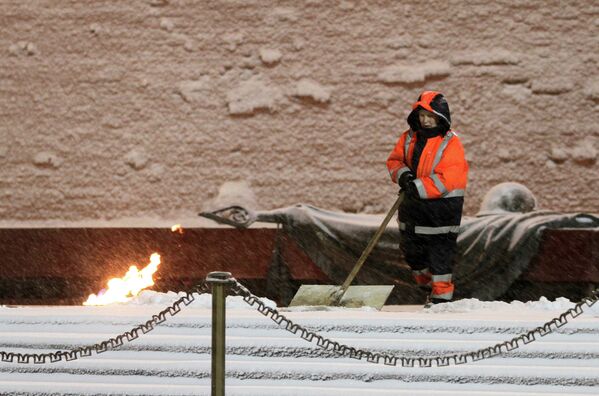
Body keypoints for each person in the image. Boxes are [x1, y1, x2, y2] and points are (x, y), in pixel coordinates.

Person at [386, 91, 469, 305]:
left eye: (430, 116)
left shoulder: (450, 143)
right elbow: (395, 161)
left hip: (441, 211)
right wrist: (404, 175)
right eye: (421, 115)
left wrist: (419, 186)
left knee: (440, 256)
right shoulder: (408, 138)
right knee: (412, 251)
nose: (425, 120)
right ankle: (426, 286)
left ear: (440, 117)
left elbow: (448, 178)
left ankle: (442, 299)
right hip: (413, 209)